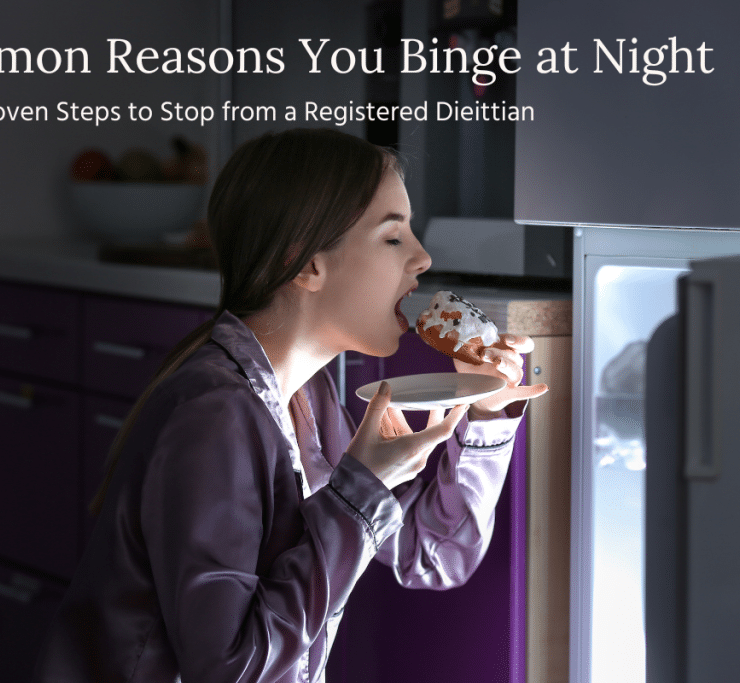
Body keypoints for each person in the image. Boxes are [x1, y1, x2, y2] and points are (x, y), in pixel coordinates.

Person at [32, 128, 548, 683]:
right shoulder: (216, 417)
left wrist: (486, 414)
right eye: (393, 237)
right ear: (305, 265)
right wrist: (361, 493)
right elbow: (230, 669)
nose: (422, 258)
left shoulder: (307, 396)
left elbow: (434, 556)